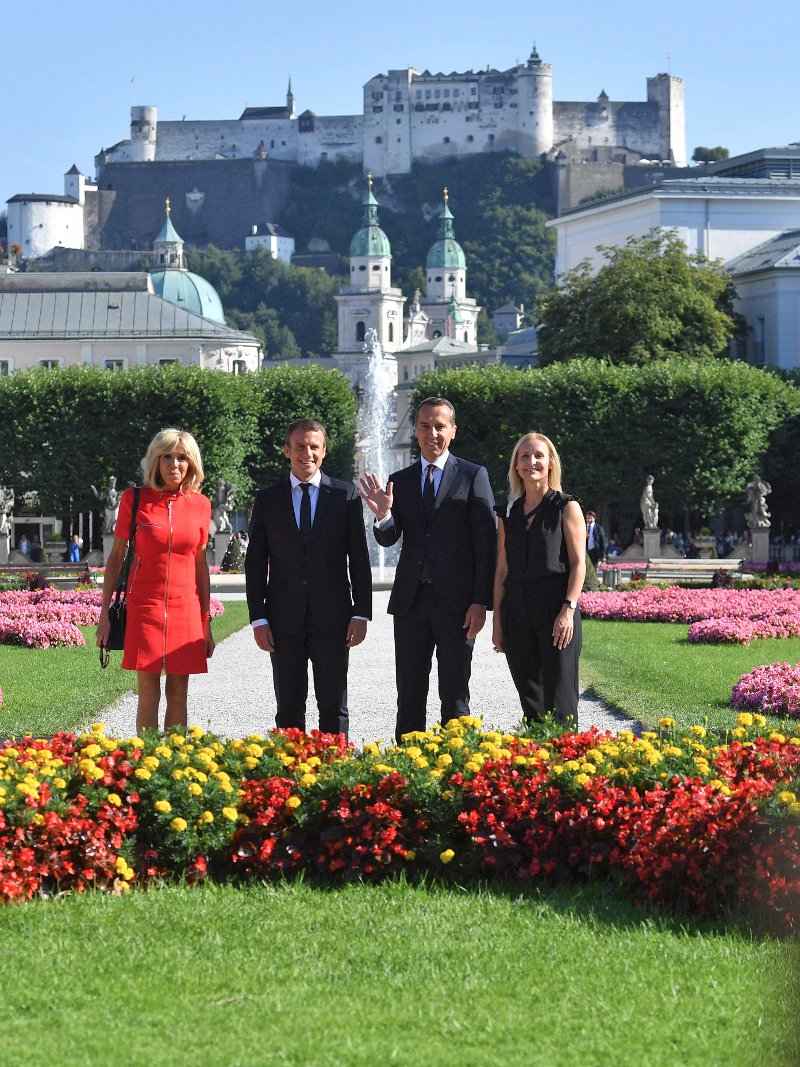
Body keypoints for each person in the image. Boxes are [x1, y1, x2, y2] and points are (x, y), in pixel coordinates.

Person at [359, 397, 496, 742]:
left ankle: (457, 769)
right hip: (411, 603)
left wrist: (480, 601)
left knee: (455, 696)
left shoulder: (472, 475)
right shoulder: (399, 480)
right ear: (415, 430)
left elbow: (486, 543)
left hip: (458, 605)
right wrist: (383, 515)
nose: (431, 433)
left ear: (452, 431)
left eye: (439, 426)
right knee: (409, 695)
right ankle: (408, 772)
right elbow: (389, 540)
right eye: (424, 426)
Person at [245, 418, 372, 739]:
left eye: (314, 446)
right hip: (282, 619)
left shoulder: (346, 496)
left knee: (334, 706)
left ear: (324, 451)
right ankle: (290, 777)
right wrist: (258, 619)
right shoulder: (268, 499)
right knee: (288, 707)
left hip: (334, 619)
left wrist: (361, 613)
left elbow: (359, 559)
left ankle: (335, 773)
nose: (307, 453)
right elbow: (256, 563)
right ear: (287, 451)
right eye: (300, 446)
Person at [95, 429, 214, 732]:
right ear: (156, 460)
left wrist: (205, 623)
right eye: (167, 457)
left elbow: (201, 567)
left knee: (178, 693)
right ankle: (145, 762)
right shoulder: (134, 499)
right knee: (148, 692)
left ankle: (173, 764)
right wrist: (104, 616)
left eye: (182, 457)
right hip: (143, 607)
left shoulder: (201, 504)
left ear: (192, 464)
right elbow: (116, 557)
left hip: (185, 608)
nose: (174, 464)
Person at [491, 432, 586, 728]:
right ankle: (537, 767)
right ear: (516, 466)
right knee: (530, 700)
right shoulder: (508, 513)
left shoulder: (566, 507)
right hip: (516, 611)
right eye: (524, 456)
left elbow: (578, 563)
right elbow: (502, 571)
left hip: (555, 609)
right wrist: (498, 623)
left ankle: (569, 762)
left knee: (561, 700)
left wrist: (567, 610)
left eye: (538, 456)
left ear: (550, 463)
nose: (531, 461)